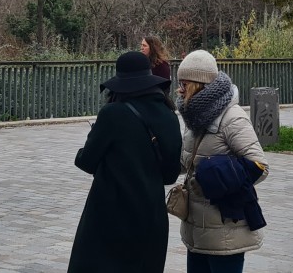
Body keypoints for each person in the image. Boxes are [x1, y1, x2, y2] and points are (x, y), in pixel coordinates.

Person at [66, 51, 182, 273]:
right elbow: (170, 174)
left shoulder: (113, 114)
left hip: (111, 217)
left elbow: (86, 162)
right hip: (151, 217)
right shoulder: (169, 116)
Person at [175, 49, 267, 273]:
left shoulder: (232, 117)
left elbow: (259, 165)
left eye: (184, 84)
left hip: (226, 227)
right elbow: (187, 160)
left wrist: (213, 178)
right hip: (196, 226)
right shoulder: (194, 117)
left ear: (198, 84)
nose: (179, 89)